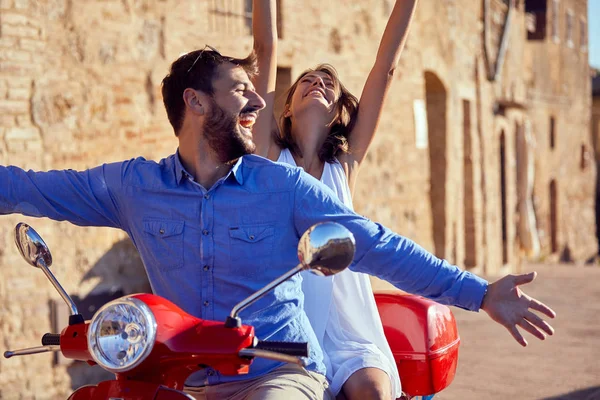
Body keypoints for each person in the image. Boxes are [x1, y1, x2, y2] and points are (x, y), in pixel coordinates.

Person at [0, 46, 555, 400]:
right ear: (194, 102)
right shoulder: (134, 187)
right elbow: (32, 187)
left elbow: (373, 244)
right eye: (241, 90)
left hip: (276, 375)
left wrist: (480, 294)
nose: (258, 100)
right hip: (181, 376)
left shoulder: (283, 187)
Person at [250, 0, 418, 398]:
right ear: (286, 108)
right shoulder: (270, 157)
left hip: (347, 328)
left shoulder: (345, 164)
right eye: (306, 80)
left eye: (328, 84)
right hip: (287, 328)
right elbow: (264, 50)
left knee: (373, 392)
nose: (317, 83)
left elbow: (386, 68)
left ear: (338, 112)